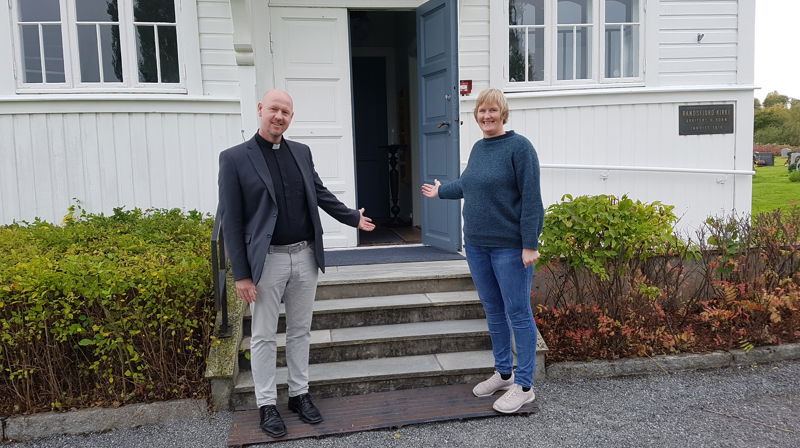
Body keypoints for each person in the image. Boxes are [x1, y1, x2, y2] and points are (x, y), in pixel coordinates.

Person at [218, 89, 375, 437]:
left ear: (291, 117)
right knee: (262, 336)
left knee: (300, 331)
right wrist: (241, 274)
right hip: (267, 262)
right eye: (274, 109)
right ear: (260, 109)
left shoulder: (301, 153)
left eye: (286, 112)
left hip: (304, 256)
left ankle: (299, 395)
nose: (279, 116)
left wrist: (351, 218)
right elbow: (232, 222)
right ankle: (266, 404)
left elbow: (319, 193)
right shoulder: (234, 159)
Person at [421, 88, 544, 414]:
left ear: (503, 113)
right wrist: (441, 191)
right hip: (476, 245)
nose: (486, 116)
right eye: (481, 112)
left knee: (518, 313)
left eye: (492, 111)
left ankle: (525, 384)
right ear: (476, 116)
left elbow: (532, 198)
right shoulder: (478, 148)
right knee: (493, 310)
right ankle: (504, 373)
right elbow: (468, 184)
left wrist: (530, 243)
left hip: (509, 248)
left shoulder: (519, 148)